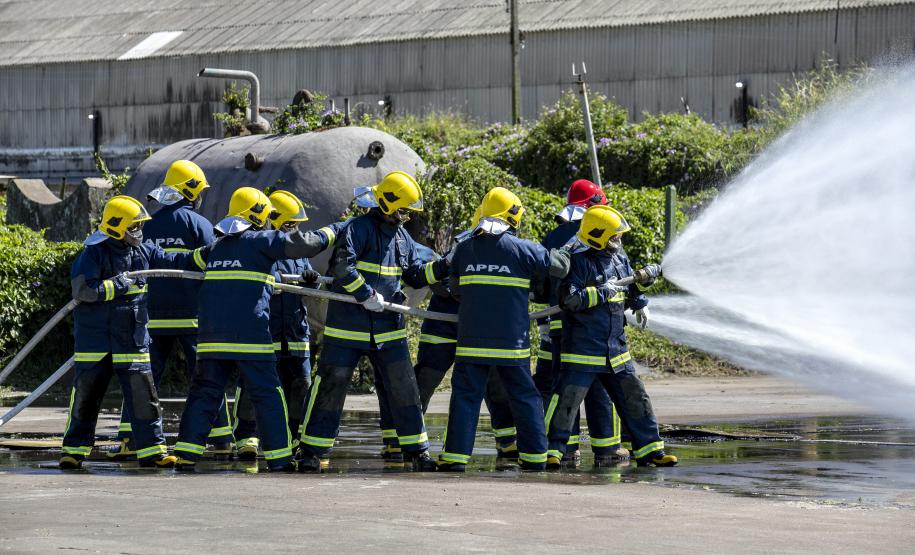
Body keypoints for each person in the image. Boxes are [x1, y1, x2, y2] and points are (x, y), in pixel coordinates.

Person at [172, 186, 335, 472]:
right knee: (268, 393)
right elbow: (304, 245)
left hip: (212, 339)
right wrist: (336, 230)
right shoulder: (262, 241)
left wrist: (145, 252)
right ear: (259, 214)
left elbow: (182, 262)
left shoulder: (216, 247)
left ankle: (186, 454)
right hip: (251, 337)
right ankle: (280, 458)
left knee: (204, 393)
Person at [295, 171, 448, 472]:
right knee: (331, 385)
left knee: (405, 388)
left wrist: (443, 267)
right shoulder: (357, 229)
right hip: (347, 328)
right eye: (402, 210)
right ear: (387, 203)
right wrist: (366, 294)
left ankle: (417, 451)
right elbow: (342, 267)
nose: (405, 216)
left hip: (389, 331)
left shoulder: (403, 237)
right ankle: (312, 450)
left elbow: (415, 275)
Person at [59, 195, 208, 470]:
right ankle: (74, 451)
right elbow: (83, 290)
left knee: (144, 397)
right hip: (97, 340)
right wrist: (117, 285)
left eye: (140, 226)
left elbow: (173, 259)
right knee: (86, 396)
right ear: (117, 227)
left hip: (132, 338)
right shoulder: (93, 253)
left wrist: (204, 255)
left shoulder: (142, 250)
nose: (139, 232)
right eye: (134, 226)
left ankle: (152, 451)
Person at [107, 160, 233, 461]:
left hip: (152, 317)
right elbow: (212, 265)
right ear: (190, 192)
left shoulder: (147, 225)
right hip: (193, 318)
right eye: (199, 190)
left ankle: (129, 437)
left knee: (142, 379)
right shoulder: (201, 225)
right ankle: (222, 438)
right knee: (208, 377)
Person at [438, 187, 570, 471]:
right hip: (512, 344)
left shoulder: (464, 249)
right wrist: (573, 245)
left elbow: (454, 288)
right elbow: (559, 266)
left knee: (465, 397)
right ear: (514, 215)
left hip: (471, 343)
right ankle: (535, 457)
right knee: (525, 397)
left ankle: (455, 459)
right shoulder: (525, 249)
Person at [545, 205, 677, 468]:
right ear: (598, 236)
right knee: (566, 402)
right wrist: (601, 292)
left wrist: (639, 301)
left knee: (636, 398)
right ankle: (552, 451)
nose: (618, 241)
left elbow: (629, 284)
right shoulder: (578, 261)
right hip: (583, 348)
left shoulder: (618, 259)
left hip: (616, 348)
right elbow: (570, 300)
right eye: (614, 236)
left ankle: (651, 451)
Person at [232, 190, 337, 460]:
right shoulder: (261, 247)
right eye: (291, 225)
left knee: (300, 384)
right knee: (254, 385)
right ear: (274, 221)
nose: (296, 231)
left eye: (297, 226)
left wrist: (310, 280)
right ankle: (247, 436)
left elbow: (305, 283)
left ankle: (293, 436)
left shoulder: (294, 248)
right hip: (266, 331)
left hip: (295, 332)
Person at [412, 209, 519, 461]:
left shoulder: (505, 246)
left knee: (495, 383)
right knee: (425, 380)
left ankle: (507, 441)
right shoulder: (464, 243)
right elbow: (441, 279)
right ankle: (403, 438)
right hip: (443, 325)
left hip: (478, 325)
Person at [534, 179, 626, 467]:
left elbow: (538, 283)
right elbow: (620, 271)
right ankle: (608, 448)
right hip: (594, 327)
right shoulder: (603, 233)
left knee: (560, 387)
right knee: (599, 385)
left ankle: (562, 449)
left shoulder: (552, 237)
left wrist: (545, 320)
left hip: (556, 325)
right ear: (593, 207)